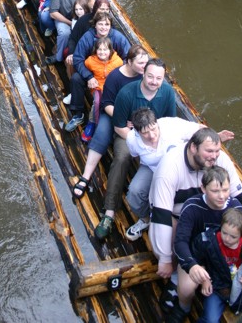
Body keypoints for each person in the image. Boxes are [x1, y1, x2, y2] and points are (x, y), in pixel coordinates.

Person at [148, 128, 242, 313]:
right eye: (209, 151)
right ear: (193, 148)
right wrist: (164, 259)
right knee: (172, 233)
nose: (215, 156)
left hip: (214, 219)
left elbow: (241, 197)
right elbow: (161, 214)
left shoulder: (220, 161)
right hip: (176, 215)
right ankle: (176, 277)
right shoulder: (170, 168)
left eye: (217, 151)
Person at [94, 58, 177, 239]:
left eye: (159, 78)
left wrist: (152, 143)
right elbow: (118, 126)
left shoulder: (168, 93)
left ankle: (160, 213)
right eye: (150, 77)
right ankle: (109, 211)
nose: (154, 82)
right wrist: (141, 143)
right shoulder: (126, 93)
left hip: (156, 138)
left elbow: (171, 124)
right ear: (143, 74)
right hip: (129, 135)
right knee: (122, 157)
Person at [166, 168, 242, 323]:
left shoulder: (236, 208)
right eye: (215, 191)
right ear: (203, 188)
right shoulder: (192, 206)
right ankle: (184, 307)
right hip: (197, 255)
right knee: (187, 288)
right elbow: (181, 241)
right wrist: (192, 265)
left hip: (222, 260)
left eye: (226, 190)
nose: (221, 196)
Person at [72, 44, 148, 198]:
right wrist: (121, 118)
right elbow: (106, 103)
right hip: (113, 112)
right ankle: (86, 176)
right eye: (141, 63)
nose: (145, 66)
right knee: (101, 135)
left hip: (133, 118)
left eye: (146, 63)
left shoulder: (145, 76)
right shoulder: (115, 76)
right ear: (129, 61)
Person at [124, 109, 208, 241]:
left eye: (154, 129)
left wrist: (216, 138)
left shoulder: (171, 125)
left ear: (157, 123)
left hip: (179, 167)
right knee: (135, 191)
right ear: (137, 132)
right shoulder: (131, 139)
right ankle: (146, 219)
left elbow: (200, 130)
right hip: (152, 168)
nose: (152, 136)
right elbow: (136, 156)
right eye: (145, 133)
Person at [190, 208, 242, 322]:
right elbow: (197, 258)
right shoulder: (208, 241)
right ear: (221, 227)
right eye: (224, 233)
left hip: (240, 288)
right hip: (216, 288)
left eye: (233, 237)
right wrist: (204, 279)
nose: (227, 239)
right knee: (210, 320)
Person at [65, 12, 131, 130]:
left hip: (112, 75)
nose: (103, 27)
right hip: (92, 73)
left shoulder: (117, 37)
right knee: (76, 79)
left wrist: (118, 75)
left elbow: (128, 57)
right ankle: (78, 114)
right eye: (100, 24)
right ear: (95, 25)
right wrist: (89, 76)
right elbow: (78, 59)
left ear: (110, 26)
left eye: (107, 24)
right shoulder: (87, 37)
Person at [82, 37, 124, 142]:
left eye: (105, 49)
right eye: (99, 49)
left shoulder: (117, 61)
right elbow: (84, 69)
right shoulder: (90, 61)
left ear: (111, 50)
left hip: (112, 88)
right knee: (97, 102)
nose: (102, 52)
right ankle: (92, 124)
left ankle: (115, 126)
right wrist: (89, 78)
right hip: (98, 87)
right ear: (95, 50)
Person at [45, 0, 89, 64]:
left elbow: (90, 6)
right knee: (65, 33)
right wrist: (70, 23)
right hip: (63, 18)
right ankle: (59, 57)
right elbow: (53, 13)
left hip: (81, 18)